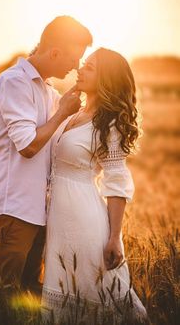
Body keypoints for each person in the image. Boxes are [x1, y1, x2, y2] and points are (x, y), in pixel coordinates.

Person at [0, 16, 92, 294]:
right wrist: (63, 112)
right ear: (54, 52)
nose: (75, 67)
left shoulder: (48, 91)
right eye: (74, 59)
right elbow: (28, 145)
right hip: (11, 212)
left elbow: (52, 143)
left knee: (29, 296)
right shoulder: (13, 83)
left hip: (36, 214)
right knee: (3, 299)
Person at [41, 48, 148, 323]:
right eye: (83, 64)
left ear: (106, 78)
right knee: (63, 296)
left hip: (84, 220)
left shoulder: (109, 125)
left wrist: (114, 237)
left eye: (89, 67)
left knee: (92, 295)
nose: (80, 70)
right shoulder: (70, 112)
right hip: (58, 219)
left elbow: (116, 182)